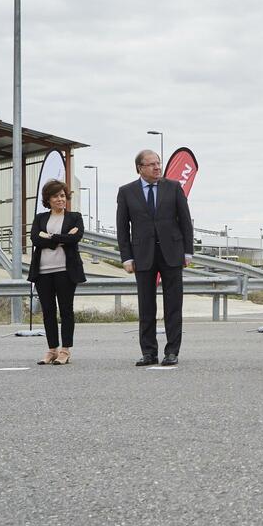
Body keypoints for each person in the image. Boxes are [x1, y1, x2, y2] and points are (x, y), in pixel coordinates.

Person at [116, 149, 193, 367]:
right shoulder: (127, 192)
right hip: (143, 255)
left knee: (173, 305)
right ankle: (149, 352)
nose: (157, 167)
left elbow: (186, 221)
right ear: (140, 168)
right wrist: (126, 257)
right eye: (151, 164)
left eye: (158, 163)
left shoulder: (174, 187)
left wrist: (187, 251)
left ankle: (172, 351)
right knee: (146, 306)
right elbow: (123, 228)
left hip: (172, 253)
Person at [28, 180, 87, 365]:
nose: (60, 199)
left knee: (66, 310)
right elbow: (35, 239)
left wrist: (49, 237)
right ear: (48, 199)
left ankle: (65, 350)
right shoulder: (40, 218)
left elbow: (76, 237)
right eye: (56, 196)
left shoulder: (75, 217)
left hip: (66, 271)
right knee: (48, 311)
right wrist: (62, 238)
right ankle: (52, 349)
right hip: (43, 272)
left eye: (62, 195)